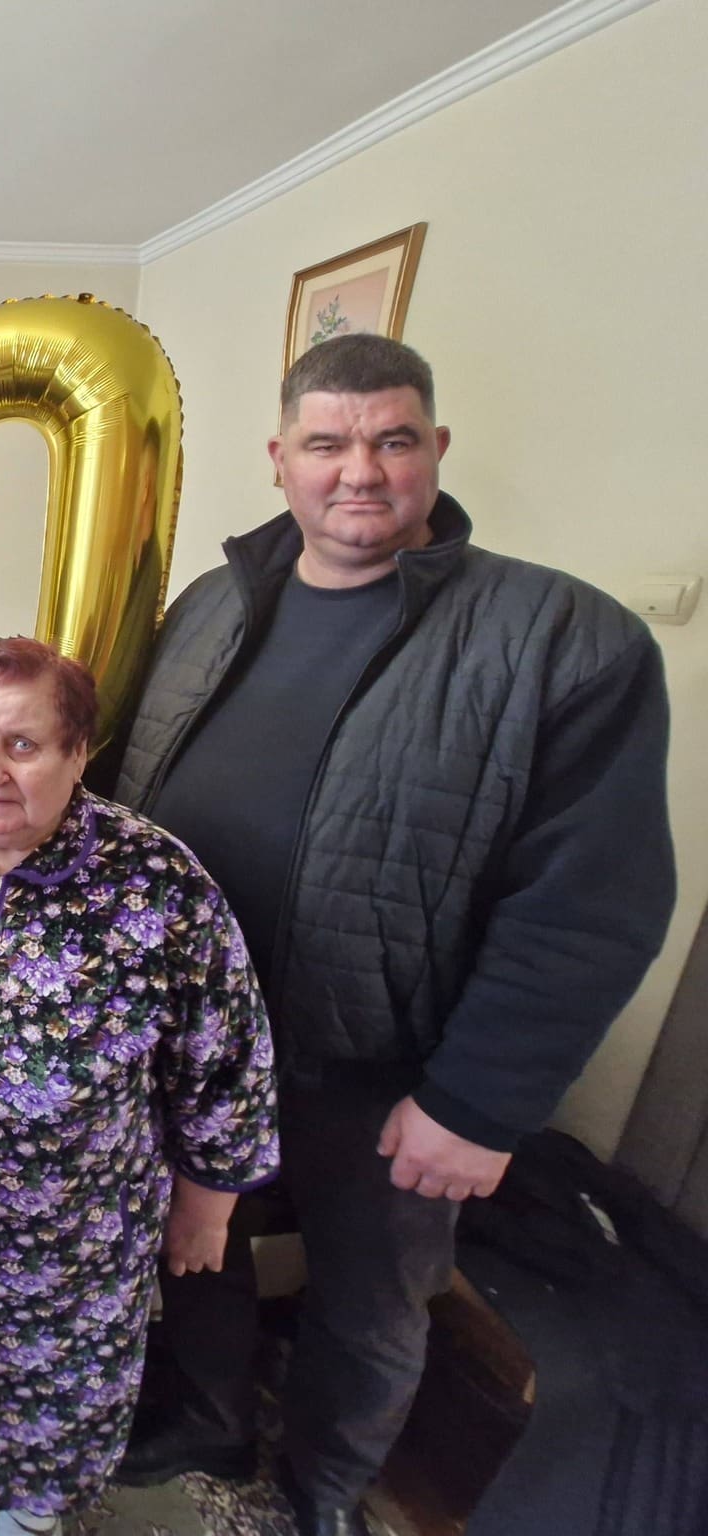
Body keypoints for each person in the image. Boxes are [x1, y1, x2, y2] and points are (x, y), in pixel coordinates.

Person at [108, 334, 677, 1536]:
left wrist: (477, 1101)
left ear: (435, 449)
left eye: (390, 439)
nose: (357, 470)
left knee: (368, 1304)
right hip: (198, 1041)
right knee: (196, 1248)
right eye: (325, 442)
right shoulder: (210, 604)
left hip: (381, 1067)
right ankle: (209, 1414)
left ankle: (321, 1494)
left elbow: (591, 900)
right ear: (278, 459)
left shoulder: (560, 639)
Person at [0, 636, 280, 1536]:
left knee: (60, 1383)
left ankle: (37, 1499)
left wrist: (209, 1205)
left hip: (76, 1237)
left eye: (24, 745)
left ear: (79, 754)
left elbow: (226, 1055)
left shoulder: (156, 882)